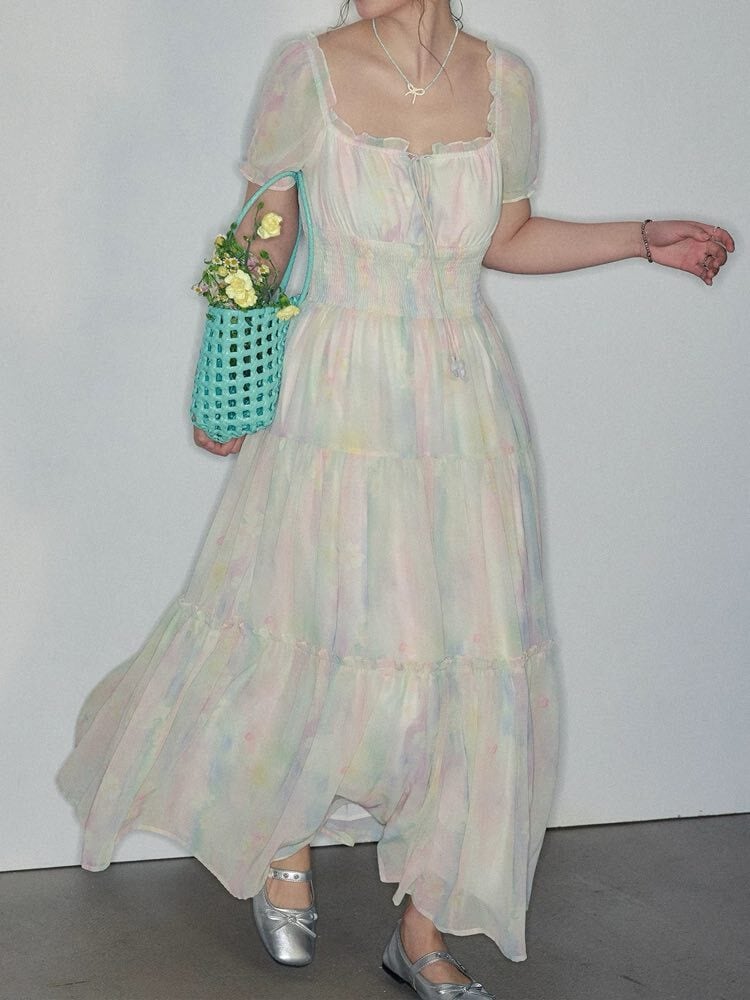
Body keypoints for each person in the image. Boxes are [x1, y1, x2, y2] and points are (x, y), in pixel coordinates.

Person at [57, 1, 734, 998]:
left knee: (463, 652)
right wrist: (228, 364)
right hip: (333, 394)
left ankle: (423, 926)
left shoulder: (504, 81)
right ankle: (280, 841)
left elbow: (506, 238)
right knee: (306, 617)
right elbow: (266, 229)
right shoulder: (309, 69)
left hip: (464, 406)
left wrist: (640, 238)